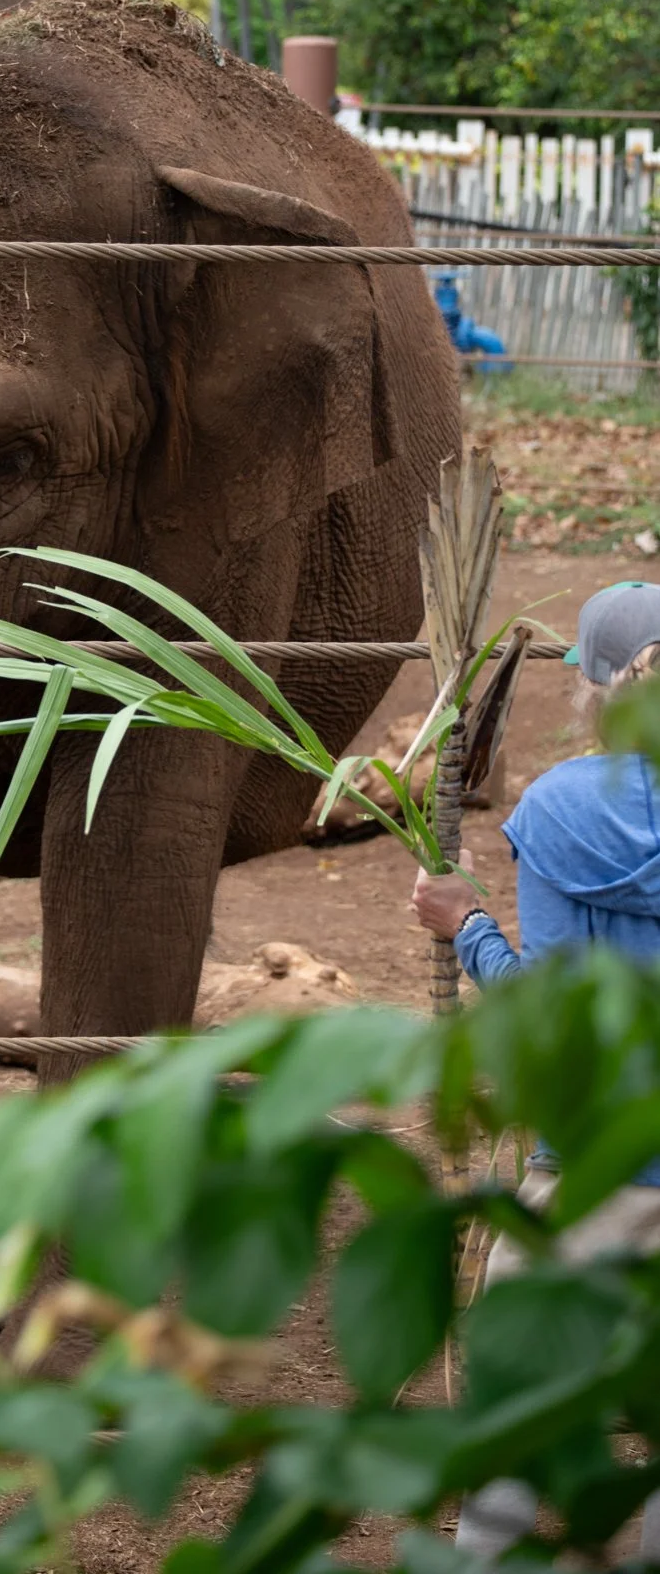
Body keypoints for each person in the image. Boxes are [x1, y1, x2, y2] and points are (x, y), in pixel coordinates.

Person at [411, 580, 660, 1565]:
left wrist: (465, 926)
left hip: (584, 1180)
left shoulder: (557, 812)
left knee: (512, 1443)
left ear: (594, 689)